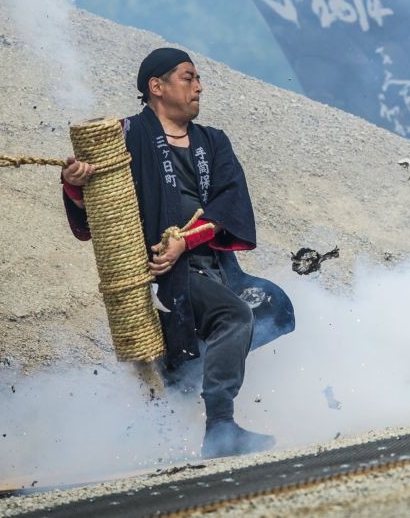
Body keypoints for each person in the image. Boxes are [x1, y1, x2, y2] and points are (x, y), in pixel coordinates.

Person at [59, 47, 295, 459]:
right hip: (162, 271)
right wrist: (75, 184)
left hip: (214, 262)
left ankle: (191, 372)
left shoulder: (213, 141)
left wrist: (186, 240)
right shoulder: (125, 135)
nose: (199, 86)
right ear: (157, 86)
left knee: (275, 309)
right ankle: (221, 429)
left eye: (198, 78)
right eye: (188, 77)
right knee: (234, 315)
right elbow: (96, 215)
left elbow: (230, 204)